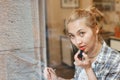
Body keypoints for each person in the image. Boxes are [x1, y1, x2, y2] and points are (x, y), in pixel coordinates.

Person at [44, 7, 120, 80]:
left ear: (96, 29)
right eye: (72, 36)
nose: (77, 42)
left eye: (81, 33)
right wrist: (57, 79)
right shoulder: (81, 55)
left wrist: (88, 69)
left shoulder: (115, 60)